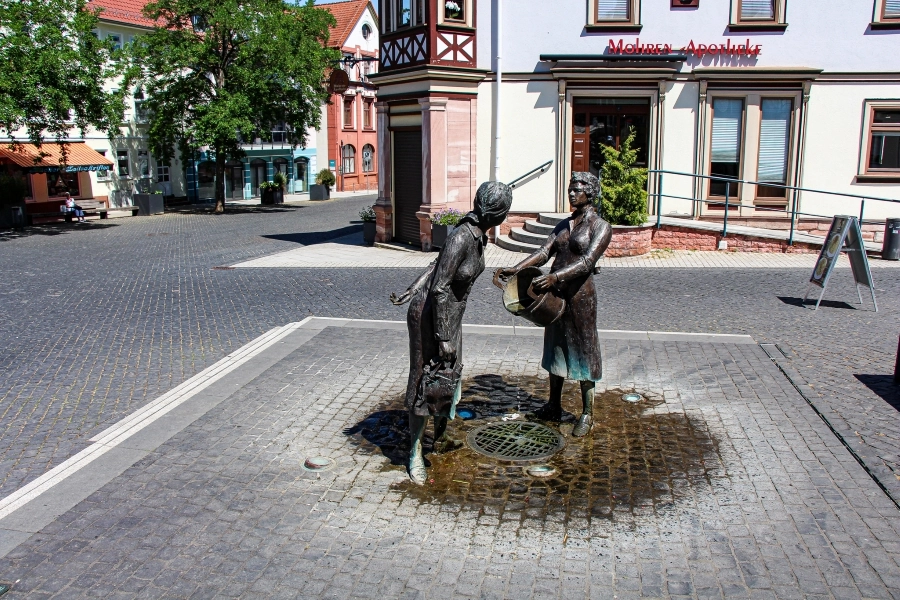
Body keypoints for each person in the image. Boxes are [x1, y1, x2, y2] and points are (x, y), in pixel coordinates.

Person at [391, 181, 513, 484]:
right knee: (423, 379)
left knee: (448, 374)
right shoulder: (463, 236)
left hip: (448, 314)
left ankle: (441, 437)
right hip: (431, 316)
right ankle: (414, 453)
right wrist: (443, 336)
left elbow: (437, 264)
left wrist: (412, 285)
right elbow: (441, 287)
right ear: (496, 214)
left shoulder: (476, 233)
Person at [495, 172, 611, 437]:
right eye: (570, 188)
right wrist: (517, 268)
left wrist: (554, 276)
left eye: (577, 189)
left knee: (584, 351)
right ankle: (553, 405)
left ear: (590, 193)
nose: (571, 193)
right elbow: (544, 252)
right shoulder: (563, 225)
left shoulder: (600, 226)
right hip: (555, 297)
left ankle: (587, 413)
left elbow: (587, 263)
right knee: (555, 348)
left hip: (581, 298)